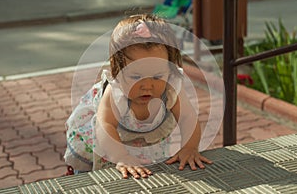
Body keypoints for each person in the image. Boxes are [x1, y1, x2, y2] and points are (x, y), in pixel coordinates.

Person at [64, 14, 212, 179]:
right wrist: (122, 157)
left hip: (142, 140)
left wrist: (189, 148)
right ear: (117, 71)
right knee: (91, 174)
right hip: (104, 140)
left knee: (147, 168)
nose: (147, 86)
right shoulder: (116, 91)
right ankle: (79, 176)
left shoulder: (171, 86)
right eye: (135, 77)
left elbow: (187, 117)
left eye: (157, 77)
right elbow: (104, 125)